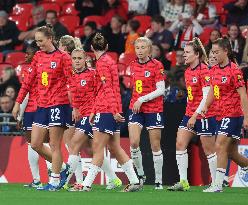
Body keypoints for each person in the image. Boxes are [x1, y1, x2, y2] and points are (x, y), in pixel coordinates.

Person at [12, 24, 73, 191]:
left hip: (58, 104)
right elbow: (28, 82)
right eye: (36, 41)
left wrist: (75, 105)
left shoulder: (63, 57)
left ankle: (54, 181)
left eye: (41, 41)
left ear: (50, 39)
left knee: (54, 144)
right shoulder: (38, 56)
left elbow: (71, 83)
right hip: (42, 105)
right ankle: (62, 169)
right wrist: (18, 102)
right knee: (35, 144)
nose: (38, 44)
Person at [81, 33, 141, 192]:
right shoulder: (110, 61)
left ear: (92, 48)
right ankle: (134, 181)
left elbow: (107, 89)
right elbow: (112, 89)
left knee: (98, 147)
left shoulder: (101, 64)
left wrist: (113, 111)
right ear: (107, 47)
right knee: (115, 147)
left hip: (106, 109)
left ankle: (86, 184)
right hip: (109, 108)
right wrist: (112, 109)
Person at [65, 48, 122, 191]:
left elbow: (101, 92)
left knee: (74, 143)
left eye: (79, 58)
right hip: (82, 113)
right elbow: (75, 95)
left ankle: (63, 180)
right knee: (92, 150)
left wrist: (95, 110)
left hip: (92, 113)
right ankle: (114, 179)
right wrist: (75, 108)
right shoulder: (72, 75)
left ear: (85, 59)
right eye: (74, 58)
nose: (77, 61)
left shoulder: (93, 74)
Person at [167, 38, 217, 191]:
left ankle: (216, 182)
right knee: (180, 143)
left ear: (196, 54)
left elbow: (206, 96)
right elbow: (192, 95)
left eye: (187, 53)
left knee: (209, 149)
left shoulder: (204, 71)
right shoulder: (188, 71)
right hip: (190, 113)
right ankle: (183, 182)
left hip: (205, 114)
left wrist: (195, 115)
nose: (184, 55)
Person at [202, 37, 248, 192]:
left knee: (219, 145)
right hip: (220, 114)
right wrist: (206, 106)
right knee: (231, 153)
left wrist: (246, 117)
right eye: (212, 52)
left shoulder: (234, 70)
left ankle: (218, 184)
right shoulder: (214, 69)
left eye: (216, 52)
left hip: (233, 114)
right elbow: (213, 92)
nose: (213, 55)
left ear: (226, 51)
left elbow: (243, 94)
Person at [128, 37, 166, 189]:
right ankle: (141, 175)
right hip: (136, 108)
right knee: (133, 142)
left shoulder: (157, 65)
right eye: (138, 48)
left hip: (153, 108)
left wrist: (142, 99)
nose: (140, 50)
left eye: (143, 47)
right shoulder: (132, 65)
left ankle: (158, 181)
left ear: (149, 49)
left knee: (155, 145)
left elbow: (161, 90)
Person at [15, 41, 52, 188]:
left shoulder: (31, 70)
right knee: (39, 144)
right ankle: (42, 179)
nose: (26, 56)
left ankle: (48, 177)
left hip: (34, 110)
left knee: (36, 144)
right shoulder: (43, 68)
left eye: (28, 54)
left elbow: (26, 93)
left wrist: (19, 115)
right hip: (40, 109)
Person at [58, 35, 85, 186]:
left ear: (65, 48)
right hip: (73, 105)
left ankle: (77, 180)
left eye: (60, 46)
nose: (58, 48)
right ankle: (113, 178)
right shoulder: (73, 61)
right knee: (83, 145)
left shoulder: (68, 62)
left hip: (73, 106)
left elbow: (72, 87)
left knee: (72, 144)